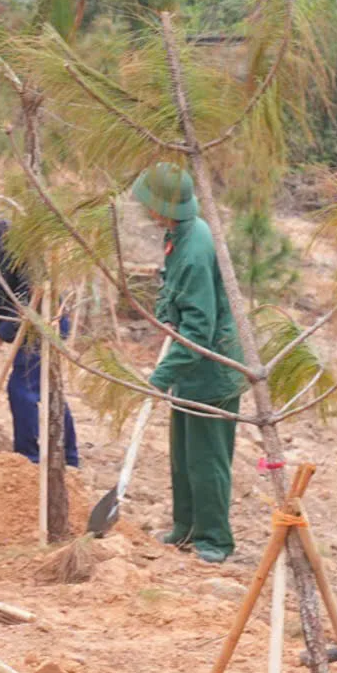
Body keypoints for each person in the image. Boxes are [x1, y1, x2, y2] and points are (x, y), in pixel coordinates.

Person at [133, 163, 244, 564]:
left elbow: (199, 328)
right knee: (182, 452)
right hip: (191, 368)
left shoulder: (196, 247)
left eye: (149, 204)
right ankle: (186, 527)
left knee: (207, 457)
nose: (146, 211)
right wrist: (165, 314)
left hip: (212, 369)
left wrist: (160, 378)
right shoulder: (177, 234)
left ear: (163, 207)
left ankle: (214, 538)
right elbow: (172, 291)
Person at [0, 218, 78, 467]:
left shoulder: (13, 237)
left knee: (24, 388)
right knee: (44, 389)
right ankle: (67, 458)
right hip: (18, 325)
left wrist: (0, 334)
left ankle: (29, 461)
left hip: (45, 320)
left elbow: (29, 292)